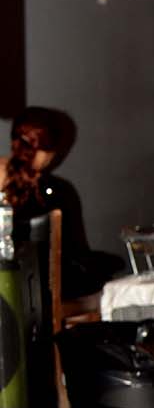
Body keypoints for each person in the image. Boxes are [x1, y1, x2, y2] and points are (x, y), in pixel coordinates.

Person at [1, 107, 123, 298]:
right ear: (51, 149)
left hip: (17, 282)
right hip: (45, 286)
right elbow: (76, 252)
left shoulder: (54, 189)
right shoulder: (60, 191)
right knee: (110, 266)